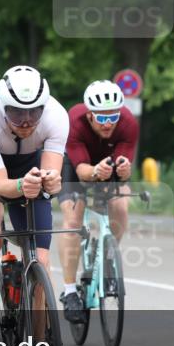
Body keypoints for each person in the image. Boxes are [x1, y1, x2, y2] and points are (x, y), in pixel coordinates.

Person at [0, 66, 67, 331]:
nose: (27, 121)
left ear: (44, 107)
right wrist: (22, 184)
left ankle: (40, 345)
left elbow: (51, 173)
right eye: (17, 113)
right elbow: (0, 185)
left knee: (40, 260)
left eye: (34, 112)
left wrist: (51, 181)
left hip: (29, 166)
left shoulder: (57, 116)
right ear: (3, 108)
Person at [57, 80, 139, 324]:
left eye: (112, 117)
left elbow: (124, 170)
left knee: (121, 206)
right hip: (76, 166)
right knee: (72, 220)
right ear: (90, 115)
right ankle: (70, 291)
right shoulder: (74, 120)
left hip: (108, 165)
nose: (108, 124)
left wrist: (123, 171)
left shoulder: (128, 123)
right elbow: (82, 170)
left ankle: (108, 258)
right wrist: (95, 172)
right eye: (102, 119)